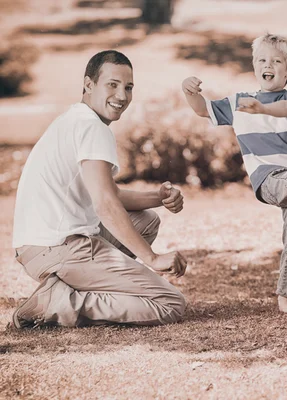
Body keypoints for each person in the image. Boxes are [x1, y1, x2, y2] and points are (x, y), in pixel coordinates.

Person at [10, 50, 187, 329]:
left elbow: (108, 194)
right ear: (89, 85)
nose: (122, 95)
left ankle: (81, 285)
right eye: (112, 85)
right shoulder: (92, 127)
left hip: (36, 247)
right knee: (169, 303)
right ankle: (61, 302)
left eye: (128, 87)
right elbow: (105, 204)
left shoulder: (75, 119)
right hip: (60, 247)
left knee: (147, 220)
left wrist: (158, 198)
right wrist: (151, 258)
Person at [182, 33, 287, 313]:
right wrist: (189, 91)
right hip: (269, 179)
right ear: (254, 65)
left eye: (277, 61)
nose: (269, 64)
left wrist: (263, 108)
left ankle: (286, 299)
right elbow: (203, 110)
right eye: (262, 59)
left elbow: (286, 109)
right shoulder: (239, 102)